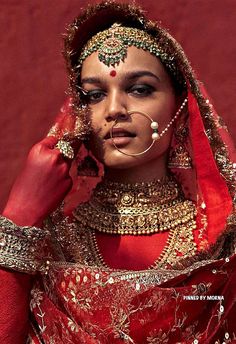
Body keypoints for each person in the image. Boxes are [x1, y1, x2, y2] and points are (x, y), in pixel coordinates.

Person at [0, 1, 236, 343]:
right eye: (94, 95)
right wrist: (18, 217)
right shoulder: (50, 240)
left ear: (182, 107)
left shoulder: (221, 239)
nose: (113, 110)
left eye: (140, 89)